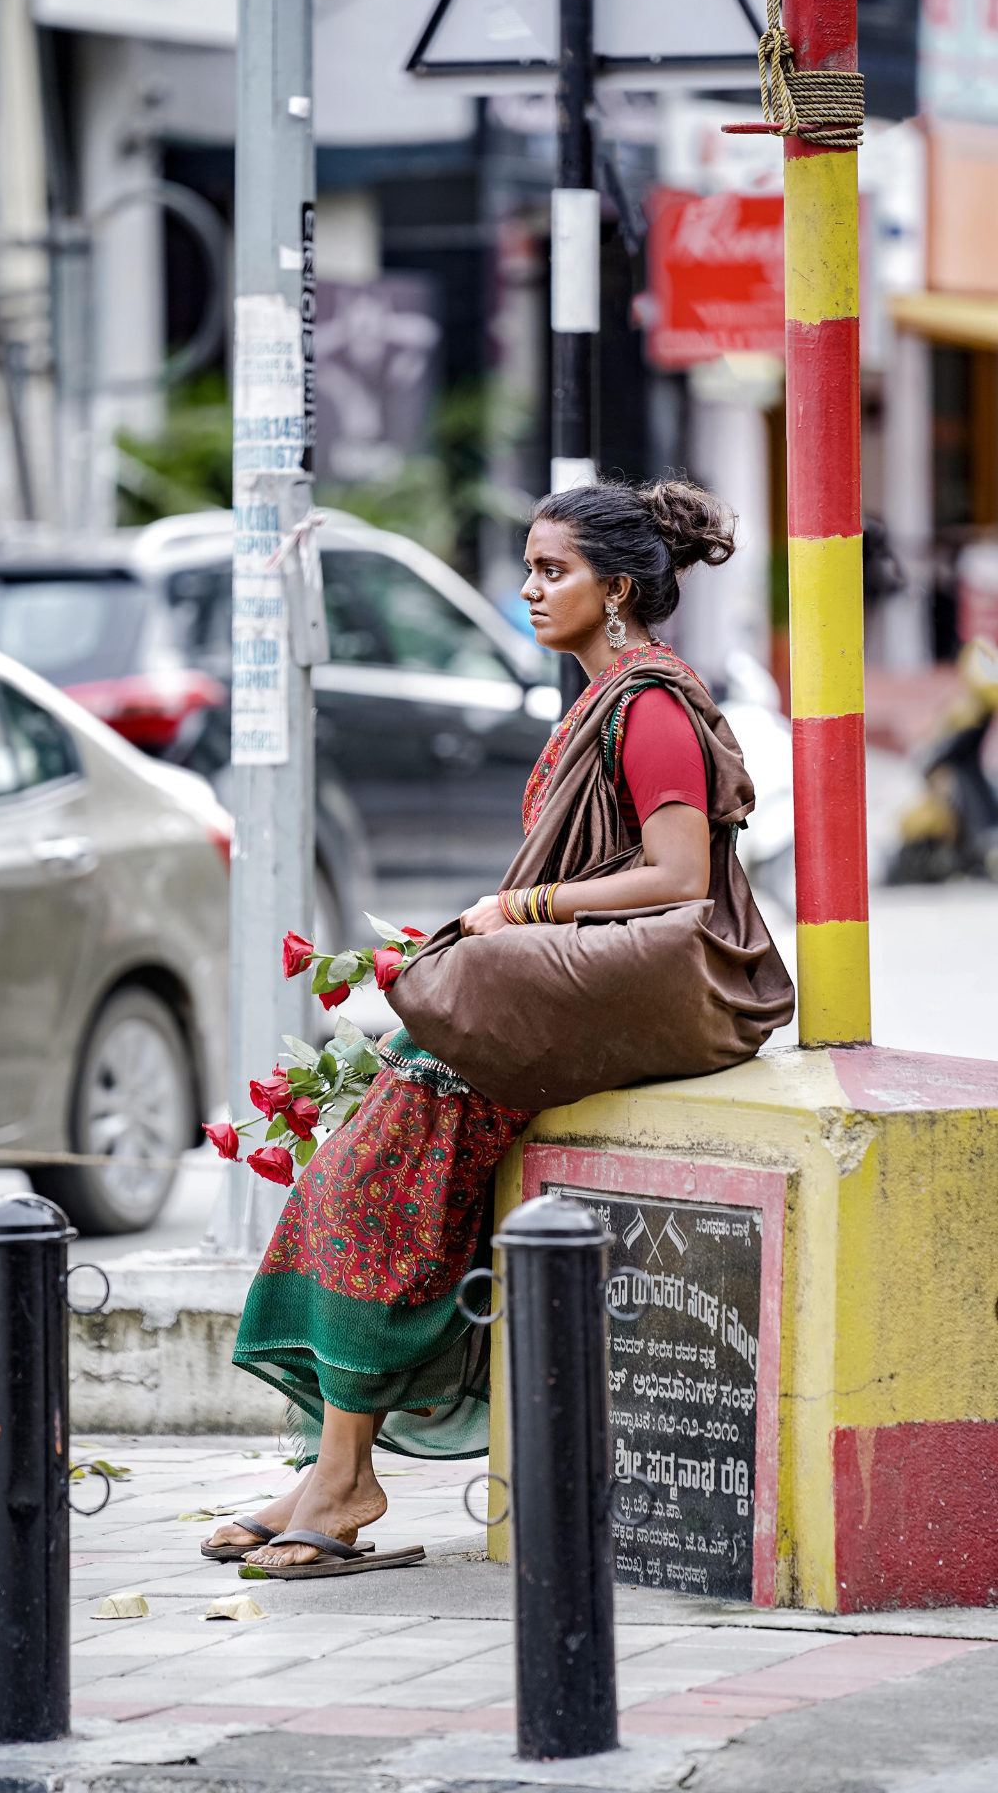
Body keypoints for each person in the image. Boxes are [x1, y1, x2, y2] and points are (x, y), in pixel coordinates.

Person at [201, 477, 793, 1572]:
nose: (527, 588)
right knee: (357, 1178)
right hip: (574, 985)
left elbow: (679, 878)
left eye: (551, 570)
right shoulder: (598, 699)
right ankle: (327, 1475)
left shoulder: (652, 705)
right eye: (527, 566)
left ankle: (341, 1485)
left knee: (377, 1187)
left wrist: (517, 910)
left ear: (617, 588)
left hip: (637, 992)